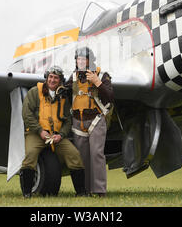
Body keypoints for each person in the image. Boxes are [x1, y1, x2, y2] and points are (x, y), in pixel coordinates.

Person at [20, 66, 86, 198]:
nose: (52, 80)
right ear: (46, 78)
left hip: (56, 136)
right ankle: (27, 193)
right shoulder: (34, 92)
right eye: (50, 77)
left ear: (60, 80)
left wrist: (61, 135)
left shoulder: (63, 97)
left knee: (74, 155)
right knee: (30, 156)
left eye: (56, 78)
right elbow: (26, 114)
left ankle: (81, 193)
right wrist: (40, 131)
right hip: (37, 134)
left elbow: (67, 120)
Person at [66, 47, 114, 197]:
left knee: (96, 154)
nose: (80, 61)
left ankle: (100, 191)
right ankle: (85, 191)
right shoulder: (73, 78)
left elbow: (110, 97)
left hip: (96, 120)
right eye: (78, 59)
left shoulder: (102, 75)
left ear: (89, 60)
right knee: (82, 157)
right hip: (78, 122)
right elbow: (64, 90)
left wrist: (98, 83)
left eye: (83, 58)